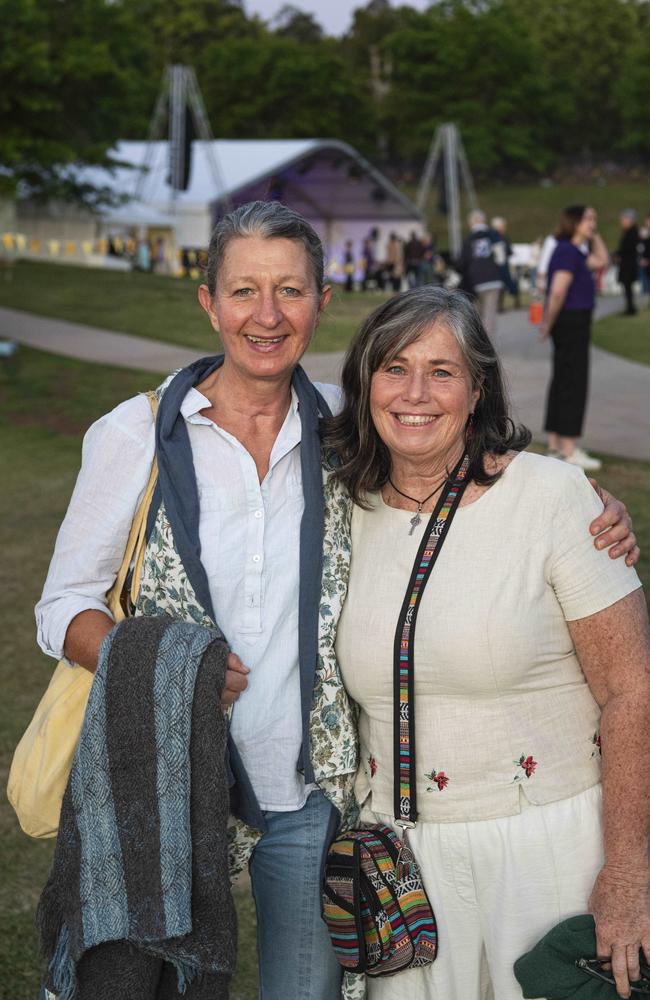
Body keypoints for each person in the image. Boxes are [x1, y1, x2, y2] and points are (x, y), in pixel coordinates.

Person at [35, 202, 637, 1000]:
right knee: (148, 978)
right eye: (244, 290)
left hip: (309, 797)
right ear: (208, 301)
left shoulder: (340, 434)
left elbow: (457, 462)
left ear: (322, 301)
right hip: (175, 786)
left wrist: (584, 505)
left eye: (290, 289)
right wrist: (162, 670)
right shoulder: (135, 435)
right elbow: (61, 603)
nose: (267, 314)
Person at [321, 285, 649, 1000]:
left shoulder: (555, 500)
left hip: (546, 849)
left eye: (442, 371)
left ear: (477, 390)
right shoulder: (342, 507)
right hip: (400, 862)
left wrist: (627, 871)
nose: (415, 392)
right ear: (365, 383)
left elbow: (633, 690)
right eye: (394, 367)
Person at [541, 204, 608, 471]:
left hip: (571, 322)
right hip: (571, 322)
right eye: (589, 219)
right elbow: (558, 291)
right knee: (573, 383)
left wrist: (594, 235)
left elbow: (602, 260)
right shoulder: (568, 251)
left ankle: (557, 446)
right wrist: (547, 322)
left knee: (563, 380)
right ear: (575, 222)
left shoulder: (575, 250)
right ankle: (568, 450)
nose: (594, 222)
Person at [455, 209, 504, 340]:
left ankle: (476, 343)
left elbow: (461, 263)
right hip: (493, 279)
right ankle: (487, 344)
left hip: (475, 281)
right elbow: (501, 258)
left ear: (472, 222)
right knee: (489, 314)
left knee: (476, 314)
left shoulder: (468, 239)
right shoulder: (493, 235)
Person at [614, 209, 640, 315]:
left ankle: (630, 308)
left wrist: (618, 254)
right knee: (627, 287)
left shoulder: (632, 232)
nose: (622, 221)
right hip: (627, 263)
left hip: (628, 264)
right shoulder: (629, 231)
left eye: (624, 219)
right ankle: (630, 307)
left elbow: (627, 248)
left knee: (628, 287)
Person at [491, 215, 520, 310]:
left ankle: (500, 305)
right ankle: (499, 305)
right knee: (501, 285)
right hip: (498, 266)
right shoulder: (498, 238)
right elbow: (508, 251)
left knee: (502, 286)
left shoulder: (500, 237)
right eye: (503, 226)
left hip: (500, 265)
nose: (505, 228)